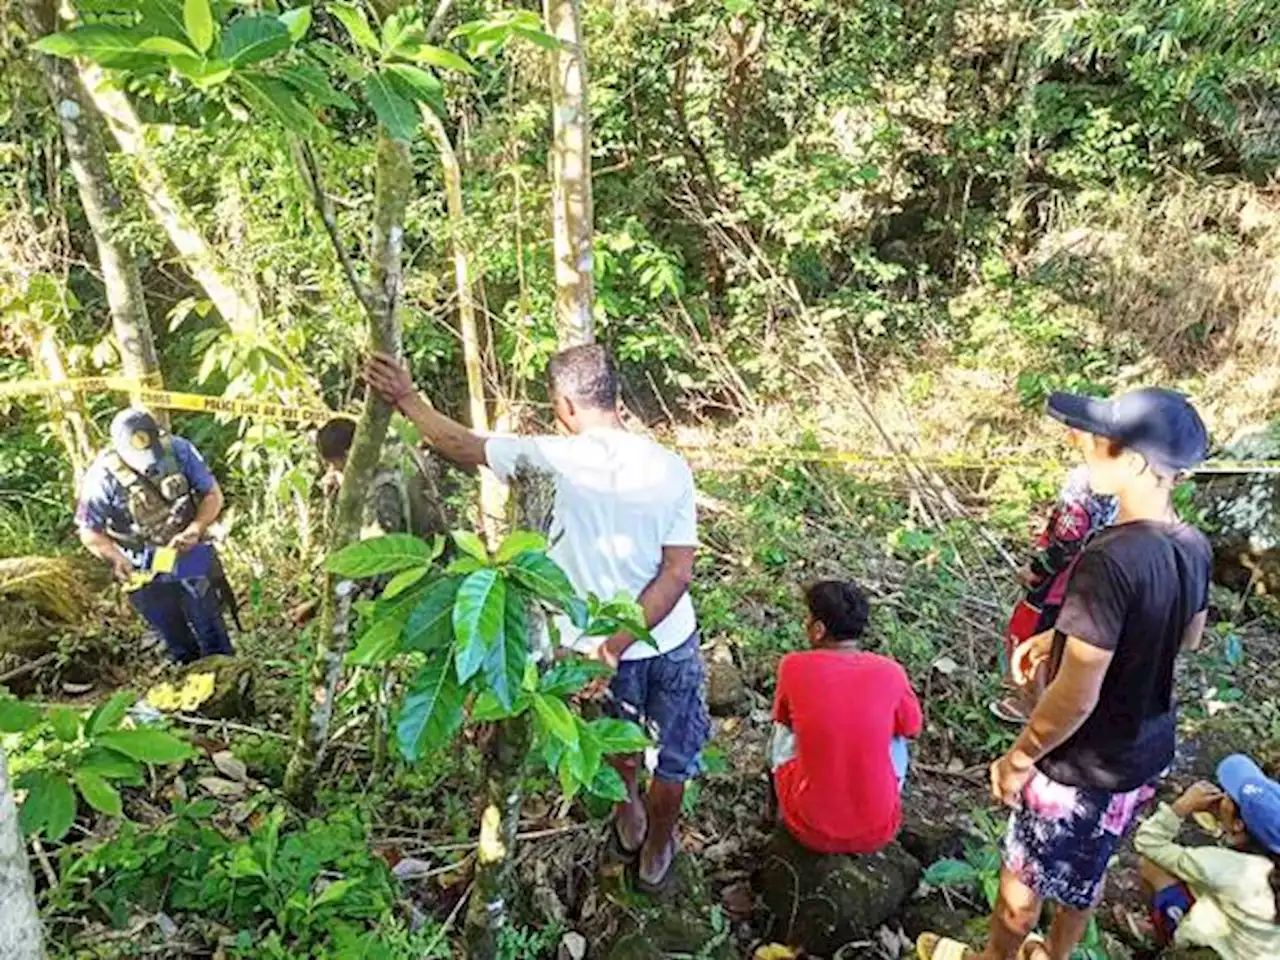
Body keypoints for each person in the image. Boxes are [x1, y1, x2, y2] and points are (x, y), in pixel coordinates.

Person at [365, 344, 709, 894]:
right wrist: (625, 639)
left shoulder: (549, 456)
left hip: (592, 650)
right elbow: (677, 573)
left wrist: (405, 395)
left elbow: (456, 443)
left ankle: (632, 818)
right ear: (614, 396)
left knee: (614, 738)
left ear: (566, 405)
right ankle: (657, 847)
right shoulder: (670, 467)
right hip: (669, 641)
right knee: (673, 756)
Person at [918, 387, 1212, 960]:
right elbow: (1188, 636)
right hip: (1144, 750)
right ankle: (1054, 954)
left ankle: (996, 956)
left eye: (1096, 443)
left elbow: (1076, 695)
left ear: (1129, 461)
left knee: (1023, 880)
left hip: (1081, 762)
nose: (1084, 449)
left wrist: (1018, 759)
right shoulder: (1193, 545)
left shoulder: (1109, 558)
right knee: (1089, 863)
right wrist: (1065, 634)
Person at [769, 580, 921, 854]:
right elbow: (912, 727)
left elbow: (785, 722)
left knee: (783, 729)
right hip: (878, 829)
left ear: (818, 630)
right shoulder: (890, 671)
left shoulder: (793, 666)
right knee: (895, 734)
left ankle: (781, 805)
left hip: (807, 826)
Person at [76, 408, 234, 663]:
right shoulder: (100, 478)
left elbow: (212, 494)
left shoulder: (178, 450)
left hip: (187, 552)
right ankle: (191, 683)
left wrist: (196, 528)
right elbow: (89, 531)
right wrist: (115, 558)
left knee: (211, 627)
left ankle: (227, 682)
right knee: (175, 638)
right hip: (140, 565)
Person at [991, 460, 1116, 723]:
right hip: (1097, 584)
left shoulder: (1084, 481)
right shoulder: (1126, 481)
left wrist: (1036, 569)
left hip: (1060, 586)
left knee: (1031, 639)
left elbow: (1066, 543)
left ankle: (1030, 707)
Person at [1133, 756, 1280, 960]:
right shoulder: (1267, 865)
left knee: (1150, 865)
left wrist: (1181, 807)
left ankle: (1163, 942)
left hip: (1222, 952)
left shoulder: (1226, 867)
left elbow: (1148, 842)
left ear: (1238, 825)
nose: (1223, 794)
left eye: (1230, 795)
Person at [314, 415, 446, 539]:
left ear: (348, 455)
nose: (334, 470)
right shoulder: (398, 455)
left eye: (334, 464)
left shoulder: (382, 485)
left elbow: (378, 540)